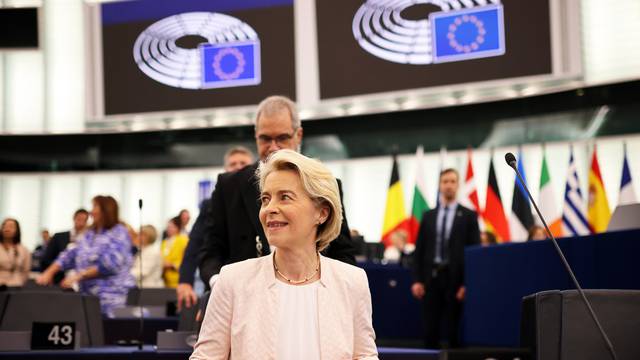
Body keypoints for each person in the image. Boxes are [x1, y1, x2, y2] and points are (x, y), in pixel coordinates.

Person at [191, 150, 378, 359]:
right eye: (265, 199)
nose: (269, 209)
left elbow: (365, 356)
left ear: (322, 213)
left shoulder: (352, 281)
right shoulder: (232, 280)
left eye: (285, 197)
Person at [198, 95, 356, 288]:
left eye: (282, 138)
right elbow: (211, 251)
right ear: (256, 136)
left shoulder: (325, 184)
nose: (273, 147)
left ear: (298, 135)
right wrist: (221, 287)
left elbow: (342, 253)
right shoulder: (228, 185)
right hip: (242, 303)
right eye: (265, 138)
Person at [176, 146, 255, 310]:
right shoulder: (212, 204)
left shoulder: (263, 201)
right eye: (233, 164)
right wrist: (185, 280)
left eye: (243, 163)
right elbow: (196, 244)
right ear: (225, 169)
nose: (239, 167)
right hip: (221, 283)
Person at [411, 168, 480, 349]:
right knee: (429, 331)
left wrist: (467, 284)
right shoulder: (428, 216)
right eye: (445, 182)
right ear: (440, 185)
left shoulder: (469, 216)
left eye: (452, 181)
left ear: (458, 185)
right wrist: (417, 280)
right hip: (431, 280)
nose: (448, 185)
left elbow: (475, 252)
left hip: (455, 282)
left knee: (453, 333)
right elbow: (419, 250)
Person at [36, 196, 136, 317]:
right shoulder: (89, 233)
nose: (91, 211)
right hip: (88, 299)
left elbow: (110, 264)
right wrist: (49, 272)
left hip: (112, 301)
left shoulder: (119, 232)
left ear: (106, 210)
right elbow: (71, 254)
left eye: (95, 207)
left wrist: (78, 276)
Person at [41, 208, 89, 284]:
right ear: (74, 218)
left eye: (84, 220)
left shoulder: (89, 240)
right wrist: (54, 271)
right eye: (79, 219)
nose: (81, 223)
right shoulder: (59, 237)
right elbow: (46, 259)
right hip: (59, 281)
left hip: (81, 282)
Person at [0, 218, 31, 287]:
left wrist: (19, 281)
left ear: (17, 230)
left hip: (16, 286)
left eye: (11, 226)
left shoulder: (24, 250)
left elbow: (26, 271)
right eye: (4, 226)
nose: (7, 229)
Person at [162, 216, 189, 288]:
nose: (169, 229)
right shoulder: (164, 242)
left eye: (171, 227)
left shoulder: (183, 240)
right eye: (168, 227)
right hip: (165, 281)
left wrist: (172, 265)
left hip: (179, 280)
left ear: (178, 227)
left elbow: (187, 261)